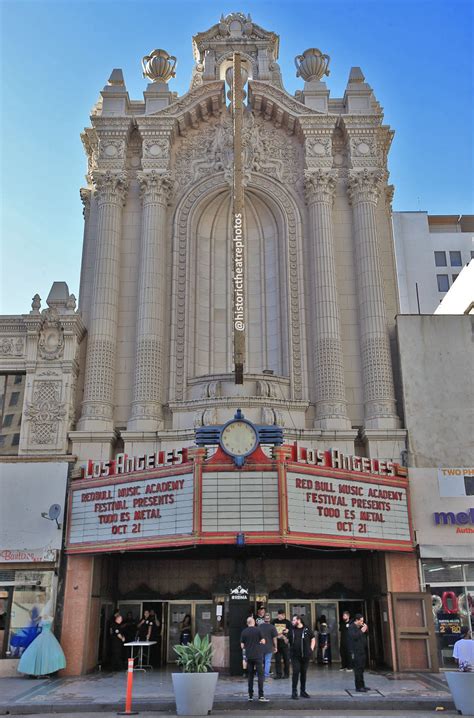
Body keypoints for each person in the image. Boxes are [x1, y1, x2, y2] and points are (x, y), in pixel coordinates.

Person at [240, 616, 269, 702]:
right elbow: (263, 641)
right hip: (258, 656)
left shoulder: (244, 632)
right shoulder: (258, 630)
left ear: (247, 623)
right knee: (260, 676)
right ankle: (261, 696)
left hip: (249, 656)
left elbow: (242, 646)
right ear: (254, 622)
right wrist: (259, 642)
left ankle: (250, 696)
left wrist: (247, 645)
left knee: (250, 676)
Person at [289, 614, 315, 699]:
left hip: (305, 655)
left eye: (294, 620)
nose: (292, 622)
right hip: (295, 656)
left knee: (303, 673)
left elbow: (313, 638)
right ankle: (294, 691)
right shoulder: (292, 630)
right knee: (295, 672)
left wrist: (311, 649)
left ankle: (303, 691)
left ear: (298, 620)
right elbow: (288, 640)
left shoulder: (306, 629)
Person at [347, 613, 370, 692]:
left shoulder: (360, 627)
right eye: (361, 621)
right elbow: (354, 637)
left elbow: (364, 635)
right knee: (357, 669)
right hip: (356, 651)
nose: (362, 622)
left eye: (362, 621)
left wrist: (365, 629)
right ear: (357, 620)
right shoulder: (351, 627)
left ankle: (362, 685)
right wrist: (361, 631)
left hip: (362, 650)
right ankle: (358, 686)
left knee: (362, 668)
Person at [272, 608, 291, 679]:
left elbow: (291, 632)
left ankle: (286, 674)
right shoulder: (274, 621)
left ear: (284, 615)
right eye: (278, 615)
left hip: (284, 643)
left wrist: (287, 632)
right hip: (276, 643)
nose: (279, 616)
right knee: (277, 660)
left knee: (286, 659)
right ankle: (278, 674)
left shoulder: (287, 622)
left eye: (280, 615)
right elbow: (272, 631)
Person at [259, 613, 278, 678]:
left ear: (264, 619)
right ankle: (266, 675)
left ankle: (259, 674)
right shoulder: (272, 627)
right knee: (267, 661)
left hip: (261, 647)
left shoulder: (260, 626)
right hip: (269, 647)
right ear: (269, 619)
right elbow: (274, 638)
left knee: (260, 661)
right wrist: (276, 647)